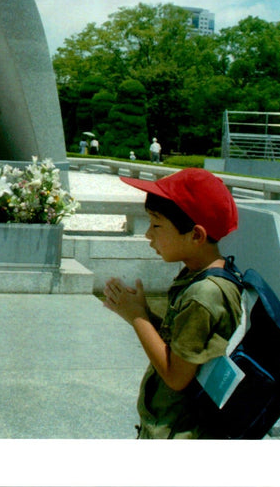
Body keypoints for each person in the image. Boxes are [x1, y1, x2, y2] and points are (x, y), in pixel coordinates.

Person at [103, 168, 240, 439]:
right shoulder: (206, 273)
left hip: (178, 431)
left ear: (196, 236)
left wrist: (137, 319)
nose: (147, 235)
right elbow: (180, 344)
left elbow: (176, 376)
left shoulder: (204, 294)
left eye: (156, 225)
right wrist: (145, 313)